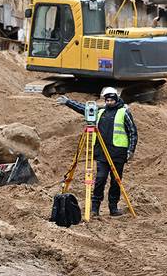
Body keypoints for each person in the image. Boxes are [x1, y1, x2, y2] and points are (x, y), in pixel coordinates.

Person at [56, 87, 137, 217]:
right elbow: (85, 109)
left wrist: (131, 150)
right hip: (102, 152)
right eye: (107, 100)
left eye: (111, 100)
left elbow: (133, 132)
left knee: (116, 181)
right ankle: (95, 208)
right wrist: (68, 102)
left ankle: (113, 207)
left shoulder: (124, 112)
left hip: (118, 153)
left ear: (116, 99)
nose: (109, 102)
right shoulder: (101, 111)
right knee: (100, 179)